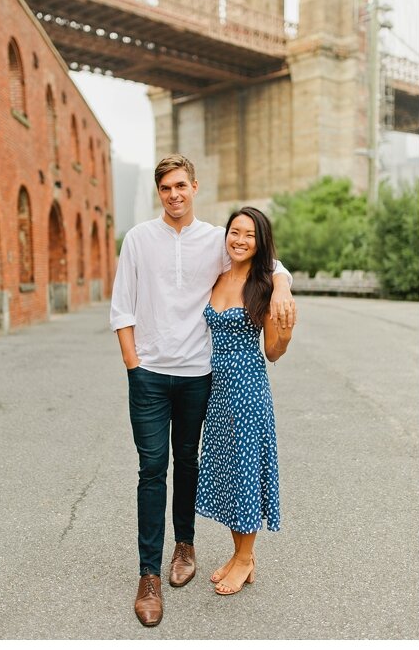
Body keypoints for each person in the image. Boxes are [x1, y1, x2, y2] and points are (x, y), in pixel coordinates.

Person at [111, 154, 296, 626]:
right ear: (160, 193)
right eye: (165, 187)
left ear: (195, 186)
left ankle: (186, 548)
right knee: (152, 468)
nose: (174, 194)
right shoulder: (138, 239)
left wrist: (282, 286)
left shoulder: (217, 239)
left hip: (199, 376)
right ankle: (148, 575)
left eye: (181, 186)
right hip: (149, 375)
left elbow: (265, 259)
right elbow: (121, 308)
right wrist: (135, 366)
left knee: (190, 461)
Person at [194, 206, 291, 595]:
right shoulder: (216, 277)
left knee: (247, 470)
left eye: (249, 235)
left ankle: (247, 558)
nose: (239, 240)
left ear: (260, 241)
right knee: (231, 472)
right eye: (235, 232)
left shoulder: (263, 285)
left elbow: (273, 351)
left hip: (248, 391)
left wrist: (285, 333)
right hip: (217, 390)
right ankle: (238, 556)